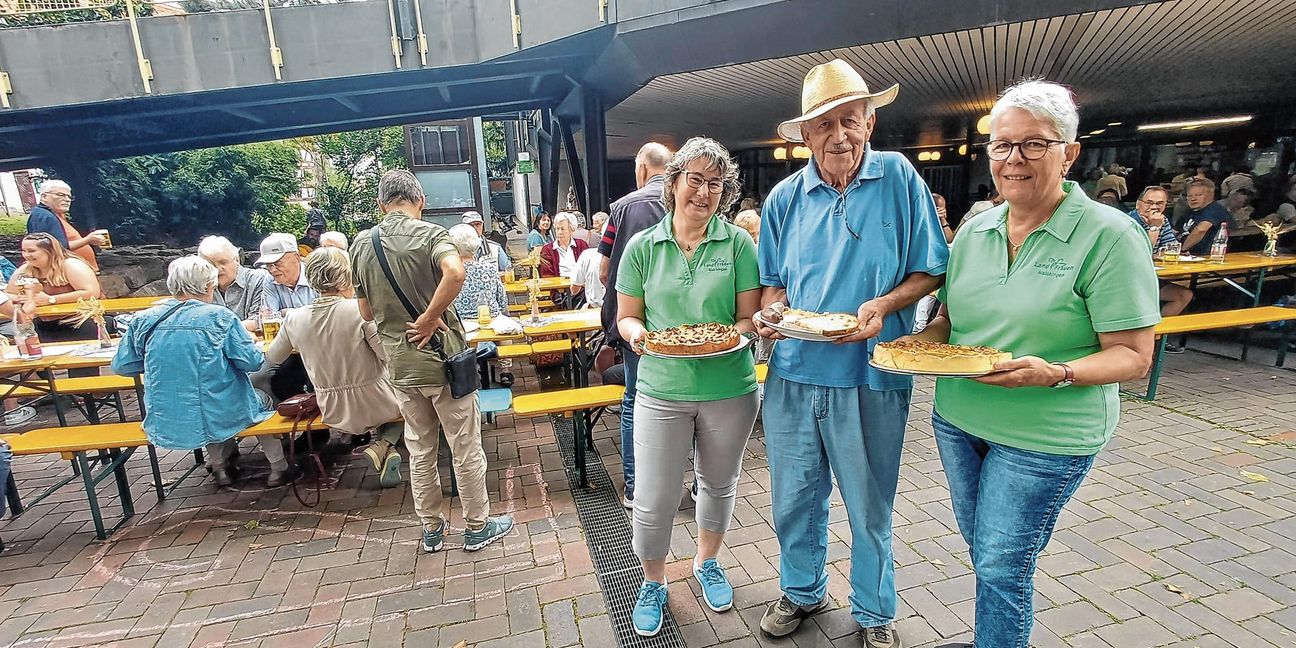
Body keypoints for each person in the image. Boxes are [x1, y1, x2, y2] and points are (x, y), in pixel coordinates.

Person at [914, 80, 1160, 648]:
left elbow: (1133, 356)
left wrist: (1057, 372)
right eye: (1001, 145)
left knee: (1003, 563)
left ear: (1070, 153)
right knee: (985, 550)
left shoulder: (1110, 235)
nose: (1013, 159)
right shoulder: (975, 231)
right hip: (958, 419)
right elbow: (951, 323)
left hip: (1044, 434)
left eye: (1033, 144)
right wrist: (917, 345)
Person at [755, 59, 948, 648]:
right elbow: (774, 286)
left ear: (869, 122)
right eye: (824, 125)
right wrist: (769, 316)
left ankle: (873, 613)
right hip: (793, 373)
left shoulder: (899, 178)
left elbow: (930, 270)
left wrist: (884, 306)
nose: (839, 135)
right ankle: (802, 590)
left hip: (872, 373)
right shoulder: (784, 198)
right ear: (806, 136)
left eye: (850, 120)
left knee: (869, 506)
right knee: (793, 498)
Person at [615, 137, 761, 637]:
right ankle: (653, 582)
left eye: (715, 183)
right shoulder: (641, 247)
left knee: (718, 483)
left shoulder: (739, 244)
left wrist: (732, 338)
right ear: (673, 183)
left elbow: (745, 319)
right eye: (694, 179)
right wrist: (638, 338)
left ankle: (706, 561)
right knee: (655, 496)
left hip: (730, 387)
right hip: (661, 387)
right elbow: (628, 317)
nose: (703, 191)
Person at [350, 169, 513, 553]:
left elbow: (366, 313)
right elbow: (455, 272)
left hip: (401, 364)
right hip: (443, 361)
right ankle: (477, 525)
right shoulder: (431, 234)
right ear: (420, 200)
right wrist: (429, 315)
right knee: (465, 445)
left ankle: (431, 528)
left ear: (381, 204)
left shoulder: (360, 244)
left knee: (420, 448)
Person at [111, 257, 291, 487]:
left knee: (204, 400)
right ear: (208, 286)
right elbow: (253, 362)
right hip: (220, 409)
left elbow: (121, 366)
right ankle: (279, 467)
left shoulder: (143, 320)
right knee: (259, 399)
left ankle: (220, 467)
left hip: (166, 415)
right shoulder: (219, 317)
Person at [263, 248, 405, 488]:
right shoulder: (359, 313)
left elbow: (273, 356)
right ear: (347, 277)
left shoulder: (295, 318)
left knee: (391, 396)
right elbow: (389, 357)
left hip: (331, 406)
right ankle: (383, 445)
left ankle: (385, 450)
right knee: (410, 392)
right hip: (377, 400)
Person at [598, 141, 671, 509]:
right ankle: (677, 485)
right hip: (677, 325)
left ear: (641, 169)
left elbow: (603, 270)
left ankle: (634, 486)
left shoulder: (622, 207)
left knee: (634, 400)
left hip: (633, 325)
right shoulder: (682, 202)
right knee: (680, 400)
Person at [255, 232, 319, 402]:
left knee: (317, 378)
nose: (272, 269)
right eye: (268, 265)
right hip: (289, 348)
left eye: (277, 262)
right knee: (277, 380)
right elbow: (269, 314)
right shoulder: (270, 281)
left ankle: (319, 426)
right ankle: (297, 420)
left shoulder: (316, 274)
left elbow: (321, 316)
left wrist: (288, 313)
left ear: (297, 257)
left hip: (319, 346)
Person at [6, 233, 102, 342]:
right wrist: (20, 299)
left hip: (78, 320)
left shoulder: (71, 265)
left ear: (50, 251)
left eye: (31, 251)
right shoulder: (25, 269)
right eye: (24, 251)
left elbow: (92, 292)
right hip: (42, 322)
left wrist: (51, 300)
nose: (26, 255)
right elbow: (8, 293)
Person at [1126, 187, 1193, 322]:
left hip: (1150, 276)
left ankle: (1158, 338)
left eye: (1159, 204)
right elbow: (1142, 253)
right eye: (1149, 203)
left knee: (1184, 295)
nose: (1154, 207)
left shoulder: (1163, 220)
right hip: (1128, 280)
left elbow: (1171, 247)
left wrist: (1161, 252)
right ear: (1138, 204)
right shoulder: (1127, 221)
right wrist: (1155, 228)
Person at [25, 180, 104, 274]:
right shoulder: (45, 216)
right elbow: (57, 248)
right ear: (44, 196)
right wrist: (88, 240)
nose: (67, 199)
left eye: (69, 196)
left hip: (79, 272)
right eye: (60, 195)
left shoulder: (51, 214)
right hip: (69, 274)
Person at [198, 235, 272, 332]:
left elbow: (258, 320)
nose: (217, 269)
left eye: (223, 262)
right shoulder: (200, 286)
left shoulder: (258, 279)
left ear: (237, 260)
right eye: (211, 265)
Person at [448, 224, 508, 324]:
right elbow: (502, 302)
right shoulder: (490, 268)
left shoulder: (448, 272)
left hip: (460, 324)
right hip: (491, 322)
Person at [1180, 178, 1230, 256]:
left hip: (1207, 257)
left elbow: (1201, 229)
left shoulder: (1215, 209)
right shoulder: (1188, 212)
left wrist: (1182, 250)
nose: (1193, 199)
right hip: (1187, 257)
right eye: (1190, 196)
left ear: (1211, 195)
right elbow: (1174, 231)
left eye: (1199, 195)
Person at [539, 212, 589, 278]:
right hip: (558, 286)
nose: (559, 232)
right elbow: (547, 275)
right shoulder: (547, 250)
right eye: (557, 229)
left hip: (580, 285)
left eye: (563, 229)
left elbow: (589, 268)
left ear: (571, 230)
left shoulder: (582, 245)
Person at [570, 223, 607, 309]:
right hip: (620, 313)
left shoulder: (587, 255)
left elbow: (574, 290)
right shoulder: (629, 256)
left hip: (595, 309)